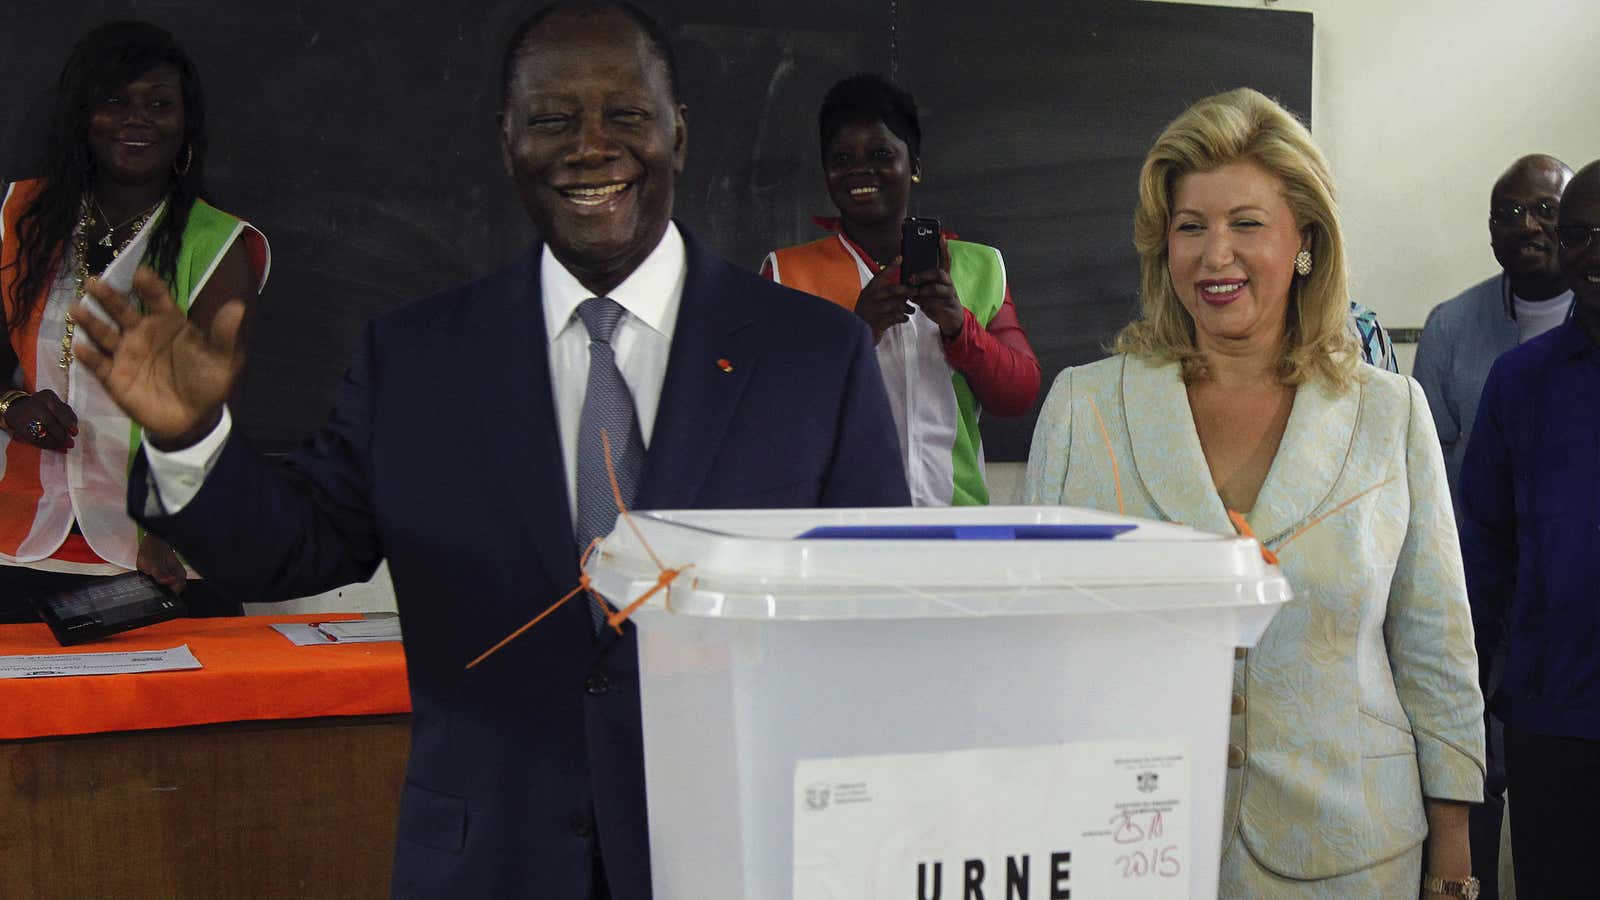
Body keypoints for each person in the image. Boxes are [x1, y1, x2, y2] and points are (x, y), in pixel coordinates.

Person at [71, 3, 908, 898]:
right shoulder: (417, 357)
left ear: (680, 133)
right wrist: (191, 435)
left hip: (739, 858)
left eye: (625, 114)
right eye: (552, 120)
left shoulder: (814, 355)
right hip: (488, 863)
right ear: (510, 143)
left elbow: (874, 629)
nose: (591, 147)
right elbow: (294, 547)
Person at [1023, 88, 1484, 898]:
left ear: (1304, 239)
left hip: (1349, 852)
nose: (1215, 255)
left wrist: (1454, 859)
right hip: (1130, 845)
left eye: (1246, 223)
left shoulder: (1387, 413)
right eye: (1190, 226)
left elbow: (1435, 649)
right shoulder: (1084, 408)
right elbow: (1040, 644)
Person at [0, 20, 268, 621]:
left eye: (159, 105)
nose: (137, 119)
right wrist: (9, 406)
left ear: (184, 124)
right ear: (81, 116)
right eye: (115, 101)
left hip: (155, 548)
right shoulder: (16, 216)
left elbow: (216, 413)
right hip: (18, 535)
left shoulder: (216, 243)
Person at [760, 74, 1040, 506]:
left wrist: (957, 327)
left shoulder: (980, 266)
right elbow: (771, 413)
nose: (859, 170)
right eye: (841, 157)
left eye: (880, 154)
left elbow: (1018, 394)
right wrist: (856, 334)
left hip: (955, 524)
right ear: (826, 172)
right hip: (837, 528)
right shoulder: (786, 273)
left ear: (915, 167)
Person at [1413, 152, 1572, 900]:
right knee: (1465, 796)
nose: (1527, 227)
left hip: (1564, 624)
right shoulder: (1450, 327)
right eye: (1507, 214)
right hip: (1468, 610)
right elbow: (1428, 483)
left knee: (1557, 823)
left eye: (1544, 210)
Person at [1459, 158, 1600, 900]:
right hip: (1552, 720)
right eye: (1580, 234)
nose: (1594, 251)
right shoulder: (1520, 381)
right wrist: (1470, 688)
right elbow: (1481, 548)